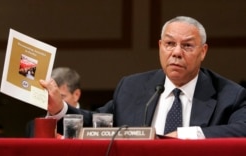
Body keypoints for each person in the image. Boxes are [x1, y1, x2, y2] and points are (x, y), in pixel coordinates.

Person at [40, 16, 246, 139]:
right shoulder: (132, 87)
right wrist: (59, 109)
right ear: (160, 47)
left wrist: (185, 135)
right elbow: (97, 124)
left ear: (203, 51)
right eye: (170, 44)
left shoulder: (229, 95)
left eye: (187, 46)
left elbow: (242, 129)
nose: (176, 52)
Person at [26, 67, 81, 137]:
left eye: (61, 96)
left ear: (76, 95)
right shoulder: (33, 125)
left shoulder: (92, 123)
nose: (53, 100)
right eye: (50, 95)